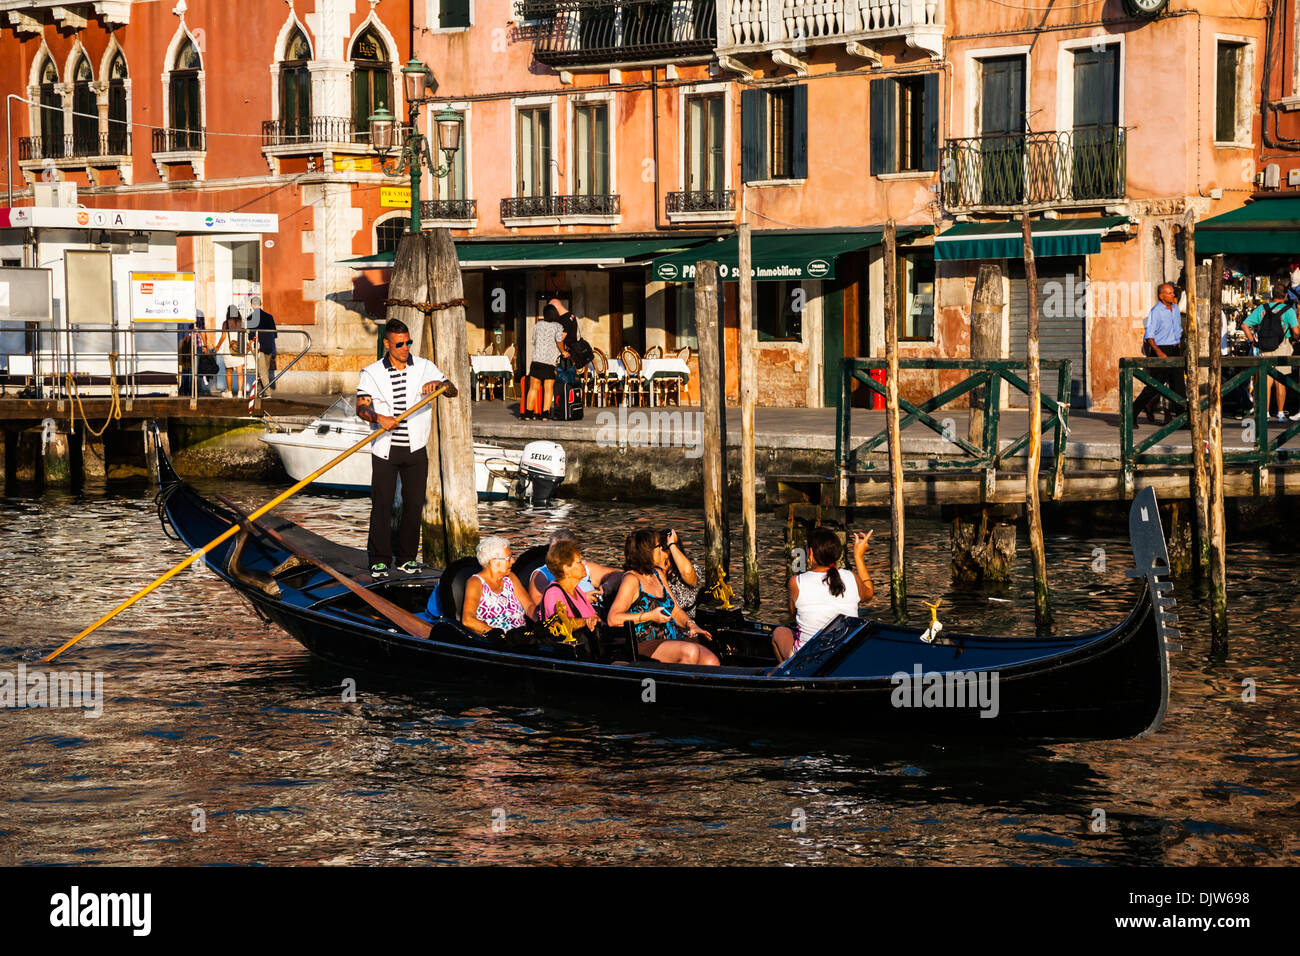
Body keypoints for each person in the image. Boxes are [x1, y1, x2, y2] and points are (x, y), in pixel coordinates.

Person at [356, 318, 458, 578]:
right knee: (383, 505)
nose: (405, 347)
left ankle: (406, 559)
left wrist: (439, 385)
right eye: (400, 343)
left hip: (415, 449)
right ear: (387, 344)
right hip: (385, 450)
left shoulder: (424, 367)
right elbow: (362, 407)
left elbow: (452, 390)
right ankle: (379, 559)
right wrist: (380, 418)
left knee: (414, 506)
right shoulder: (371, 373)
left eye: (408, 342)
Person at [607, 529, 718, 666]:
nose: (664, 551)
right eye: (660, 546)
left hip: (670, 638)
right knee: (690, 651)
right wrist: (650, 616)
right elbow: (613, 618)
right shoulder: (631, 579)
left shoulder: (658, 574)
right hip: (644, 643)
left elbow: (675, 611)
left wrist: (691, 624)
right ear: (647, 552)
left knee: (711, 661)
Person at [772, 527, 874, 663]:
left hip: (808, 659)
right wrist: (858, 557)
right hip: (844, 654)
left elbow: (793, 613)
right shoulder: (851, 577)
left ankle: (788, 674)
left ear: (811, 553)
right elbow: (869, 592)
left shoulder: (796, 582)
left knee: (779, 632)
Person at [1242, 280, 1300, 422]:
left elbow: (1244, 325)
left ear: (1272, 295)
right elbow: (1296, 332)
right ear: (1286, 296)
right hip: (1282, 347)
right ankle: (1280, 413)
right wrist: (1294, 338)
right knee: (1280, 381)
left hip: (1264, 346)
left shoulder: (1262, 308)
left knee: (1266, 381)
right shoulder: (1289, 311)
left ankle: (1265, 413)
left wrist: (1253, 342)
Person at [1133, 282, 1185, 426]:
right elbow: (1149, 336)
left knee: (1179, 386)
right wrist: (1159, 353)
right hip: (1161, 350)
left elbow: (1177, 329)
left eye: (1172, 292)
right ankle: (1132, 413)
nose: (1173, 295)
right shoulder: (1155, 312)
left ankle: (1182, 419)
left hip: (1175, 350)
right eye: (1169, 293)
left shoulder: (1175, 309)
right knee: (1154, 387)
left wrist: (1179, 344)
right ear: (1162, 296)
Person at [462, 536, 535, 636]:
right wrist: (500, 636)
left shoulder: (510, 577)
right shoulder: (475, 582)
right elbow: (468, 620)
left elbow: (529, 606)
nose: (513, 561)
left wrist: (542, 621)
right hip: (494, 642)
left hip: (521, 637)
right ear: (494, 561)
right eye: (508, 558)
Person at [528, 528, 620, 607]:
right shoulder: (542, 574)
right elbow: (541, 606)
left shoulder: (582, 567)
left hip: (597, 614)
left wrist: (608, 585)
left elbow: (619, 575)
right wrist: (581, 600)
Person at [536, 538, 599, 634]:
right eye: (579, 562)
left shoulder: (577, 590)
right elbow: (562, 624)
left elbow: (594, 617)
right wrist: (585, 622)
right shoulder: (553, 593)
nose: (584, 564)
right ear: (566, 569)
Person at [524, 300, 566, 420]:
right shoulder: (558, 326)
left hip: (537, 360)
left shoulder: (538, 325)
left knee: (533, 388)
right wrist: (563, 352)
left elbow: (533, 341)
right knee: (548, 389)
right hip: (549, 362)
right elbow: (559, 341)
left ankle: (528, 414)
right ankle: (544, 415)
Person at [659, 528, 700, 613]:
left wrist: (672, 545)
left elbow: (687, 573)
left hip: (684, 623)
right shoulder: (651, 574)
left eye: (662, 548)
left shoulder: (692, 570)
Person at [247, 295, 278, 395]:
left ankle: (267, 392)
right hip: (268, 345)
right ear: (261, 304)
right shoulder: (269, 317)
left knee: (262, 370)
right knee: (265, 369)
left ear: (251, 305)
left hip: (257, 345)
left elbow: (250, 336)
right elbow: (274, 334)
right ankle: (260, 390)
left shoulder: (250, 318)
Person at [216, 304, 246, 398]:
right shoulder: (242, 322)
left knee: (229, 371)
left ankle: (229, 392)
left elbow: (223, 336)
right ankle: (240, 393)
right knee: (240, 371)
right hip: (240, 346)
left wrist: (217, 346)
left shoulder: (226, 323)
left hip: (229, 348)